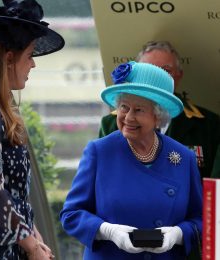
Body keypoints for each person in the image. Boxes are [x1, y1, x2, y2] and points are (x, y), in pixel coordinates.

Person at [60, 61, 202, 259]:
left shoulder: (184, 158)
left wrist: (178, 235)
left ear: (158, 117)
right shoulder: (99, 152)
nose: (128, 117)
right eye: (124, 107)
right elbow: (71, 214)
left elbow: (201, 219)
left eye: (139, 110)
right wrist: (107, 231)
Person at [0, 0, 64, 259]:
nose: (33, 64)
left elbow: (12, 194)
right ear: (9, 58)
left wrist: (35, 238)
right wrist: (31, 245)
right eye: (29, 55)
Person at [99, 41, 220, 180]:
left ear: (179, 75)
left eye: (166, 71)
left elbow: (216, 189)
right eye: (149, 70)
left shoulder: (210, 125)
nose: (156, 78)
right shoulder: (112, 124)